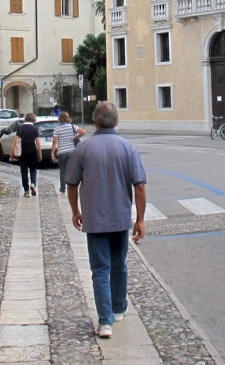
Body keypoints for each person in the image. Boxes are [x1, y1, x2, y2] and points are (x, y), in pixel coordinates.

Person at [66, 102, 146, 340]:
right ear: (116, 121)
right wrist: (140, 219)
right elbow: (140, 187)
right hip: (120, 219)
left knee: (100, 270)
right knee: (119, 264)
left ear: (95, 121)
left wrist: (75, 211)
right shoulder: (128, 148)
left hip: (95, 220)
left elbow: (72, 185)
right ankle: (118, 308)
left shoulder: (84, 148)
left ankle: (105, 322)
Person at [51, 111, 86, 193]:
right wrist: (76, 137)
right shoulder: (72, 127)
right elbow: (83, 132)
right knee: (71, 170)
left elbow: (55, 142)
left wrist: (52, 153)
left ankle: (63, 188)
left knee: (62, 170)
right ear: (68, 118)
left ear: (59, 119)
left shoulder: (56, 129)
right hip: (71, 151)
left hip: (61, 152)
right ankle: (71, 187)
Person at [10, 112, 42, 196]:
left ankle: (26, 191)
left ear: (26, 119)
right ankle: (33, 184)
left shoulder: (20, 127)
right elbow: (38, 142)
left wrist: (12, 152)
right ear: (34, 119)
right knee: (33, 169)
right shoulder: (35, 128)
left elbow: (15, 140)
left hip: (23, 151)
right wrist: (39, 153)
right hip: (32, 150)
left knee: (24, 171)